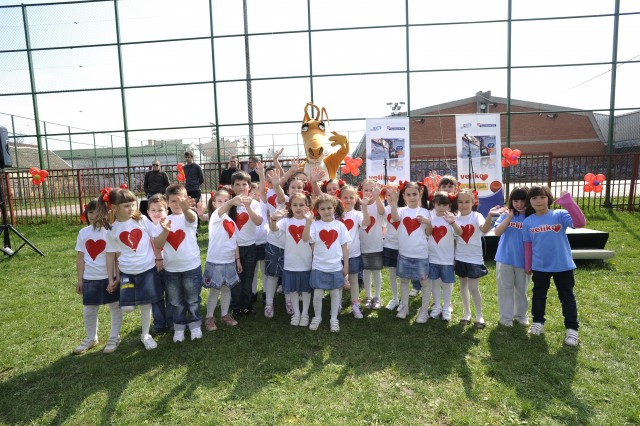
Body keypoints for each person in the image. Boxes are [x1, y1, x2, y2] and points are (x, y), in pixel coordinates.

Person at [97, 188, 163, 350]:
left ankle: (145, 334)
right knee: (127, 308)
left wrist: (159, 257)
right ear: (114, 208)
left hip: (147, 270)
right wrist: (112, 278)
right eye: (126, 206)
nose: (131, 209)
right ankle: (134, 301)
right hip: (127, 273)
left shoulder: (141, 220)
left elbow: (155, 236)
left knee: (146, 304)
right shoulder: (112, 230)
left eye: (133, 204)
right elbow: (110, 254)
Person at [523, 185, 585, 347]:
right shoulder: (528, 222)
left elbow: (580, 223)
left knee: (567, 297)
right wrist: (528, 265)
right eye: (534, 198)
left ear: (548, 199)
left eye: (542, 197)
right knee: (538, 295)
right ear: (529, 201)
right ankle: (538, 323)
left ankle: (572, 330)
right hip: (540, 267)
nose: (538, 201)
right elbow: (528, 245)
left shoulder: (560, 215)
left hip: (563, 266)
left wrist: (568, 203)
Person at [153, 184, 203, 343]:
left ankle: (195, 325)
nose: (177, 204)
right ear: (167, 202)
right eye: (173, 201)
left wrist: (186, 208)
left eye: (180, 200)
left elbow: (191, 219)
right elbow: (157, 244)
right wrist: (165, 231)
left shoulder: (190, 215)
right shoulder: (163, 221)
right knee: (175, 301)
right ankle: (179, 327)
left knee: (193, 299)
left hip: (191, 267)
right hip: (171, 270)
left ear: (187, 199)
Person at [74, 200, 122, 354]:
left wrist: (116, 278)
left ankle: (114, 337)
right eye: (90, 212)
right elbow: (80, 258)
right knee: (89, 310)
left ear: (108, 213)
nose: (93, 215)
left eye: (97, 212)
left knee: (115, 308)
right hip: (90, 279)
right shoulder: (83, 233)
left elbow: (117, 258)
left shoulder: (112, 232)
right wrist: (80, 280)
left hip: (109, 278)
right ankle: (91, 338)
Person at [302, 193, 350, 332]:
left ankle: (334, 318)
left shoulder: (340, 225)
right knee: (317, 293)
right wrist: (307, 222)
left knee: (335, 293)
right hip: (318, 266)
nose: (326, 211)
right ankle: (317, 317)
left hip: (335, 266)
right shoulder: (315, 225)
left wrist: (346, 265)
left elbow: (345, 247)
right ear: (318, 210)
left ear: (334, 208)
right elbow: (306, 239)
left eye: (329, 208)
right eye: (322, 209)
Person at [387, 182, 432, 322]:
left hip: (421, 255)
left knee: (425, 283)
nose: (412, 197)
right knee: (404, 281)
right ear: (404, 196)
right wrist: (394, 202)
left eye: (414, 194)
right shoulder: (401, 211)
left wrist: (428, 222)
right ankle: (404, 307)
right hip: (404, 254)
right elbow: (394, 218)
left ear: (420, 195)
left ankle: (424, 311)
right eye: (408, 194)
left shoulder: (425, 212)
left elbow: (429, 232)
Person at [270, 192, 314, 327]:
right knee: (293, 289)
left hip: (306, 262)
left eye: (301, 204)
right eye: (295, 205)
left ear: (307, 206)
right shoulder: (286, 221)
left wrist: (308, 223)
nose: (298, 207)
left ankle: (305, 313)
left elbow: (310, 240)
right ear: (290, 207)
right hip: (290, 262)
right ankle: (296, 313)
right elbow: (274, 230)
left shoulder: (312, 222)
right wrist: (273, 219)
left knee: (306, 290)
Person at [454, 189, 496, 329]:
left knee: (473, 287)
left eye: (467, 202)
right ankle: (467, 313)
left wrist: (489, 215)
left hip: (474, 259)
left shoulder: (476, 216)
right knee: (463, 285)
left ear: (473, 202)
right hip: (460, 257)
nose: (463, 205)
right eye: (460, 202)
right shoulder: (455, 218)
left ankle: (479, 315)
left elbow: (484, 229)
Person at [203, 188, 243, 330]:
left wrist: (237, 260)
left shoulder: (231, 221)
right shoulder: (215, 216)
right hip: (216, 262)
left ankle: (225, 314)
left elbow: (235, 241)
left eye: (226, 201)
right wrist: (231, 201)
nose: (223, 204)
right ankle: (209, 317)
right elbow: (222, 210)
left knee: (227, 289)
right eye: (220, 201)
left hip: (229, 261)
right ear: (213, 203)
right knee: (215, 289)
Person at [493, 186, 531, 327]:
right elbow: (497, 232)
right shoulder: (507, 214)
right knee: (505, 289)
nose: (519, 204)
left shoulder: (531, 217)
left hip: (523, 261)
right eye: (515, 201)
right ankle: (506, 318)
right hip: (504, 258)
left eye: (523, 201)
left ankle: (521, 316)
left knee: (521, 290)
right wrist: (508, 218)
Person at [229, 171, 263, 318]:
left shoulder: (255, 204)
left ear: (249, 187)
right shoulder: (229, 204)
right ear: (232, 187)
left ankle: (246, 305)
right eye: (237, 184)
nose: (241, 187)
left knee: (248, 276)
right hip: (233, 248)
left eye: (244, 184)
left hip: (250, 246)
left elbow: (258, 221)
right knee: (235, 278)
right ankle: (235, 306)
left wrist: (248, 207)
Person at [427, 192, 462, 321]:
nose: (441, 207)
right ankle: (436, 307)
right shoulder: (430, 216)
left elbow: (460, 233)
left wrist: (452, 222)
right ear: (434, 204)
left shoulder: (451, 218)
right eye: (438, 204)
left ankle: (446, 307)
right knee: (434, 283)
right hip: (432, 257)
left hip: (447, 259)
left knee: (446, 284)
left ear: (449, 205)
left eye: (445, 204)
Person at [340, 184, 368, 319]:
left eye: (351, 197)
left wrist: (365, 207)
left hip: (354, 253)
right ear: (339, 198)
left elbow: (366, 224)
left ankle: (355, 304)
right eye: (345, 197)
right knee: (338, 280)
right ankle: (337, 303)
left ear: (356, 198)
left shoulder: (358, 214)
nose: (348, 200)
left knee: (354, 280)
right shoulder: (335, 214)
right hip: (337, 255)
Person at [146, 194, 173, 335]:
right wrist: (157, 259)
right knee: (156, 296)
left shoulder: (170, 224)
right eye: (153, 210)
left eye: (160, 210)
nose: (157, 213)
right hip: (152, 267)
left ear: (167, 211)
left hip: (169, 265)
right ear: (148, 212)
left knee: (170, 295)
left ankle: (171, 321)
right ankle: (159, 324)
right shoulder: (147, 226)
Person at [359, 179, 385, 310]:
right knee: (366, 271)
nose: (368, 193)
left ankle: (377, 296)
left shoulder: (378, 204)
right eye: (366, 190)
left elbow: (381, 212)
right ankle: (368, 296)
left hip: (376, 245)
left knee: (376, 271)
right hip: (363, 246)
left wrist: (377, 197)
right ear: (361, 191)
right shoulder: (360, 205)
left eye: (372, 190)